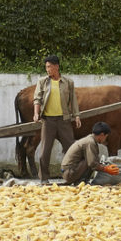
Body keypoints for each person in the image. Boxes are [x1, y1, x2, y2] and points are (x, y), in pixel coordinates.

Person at [32, 55, 81, 183]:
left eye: (49, 67)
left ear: (57, 67)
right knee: (44, 151)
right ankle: (44, 179)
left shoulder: (68, 82)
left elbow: (73, 101)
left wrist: (76, 115)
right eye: (46, 67)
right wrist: (36, 114)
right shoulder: (42, 81)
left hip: (64, 120)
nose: (47, 69)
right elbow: (37, 98)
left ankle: (73, 176)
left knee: (71, 148)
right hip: (48, 121)